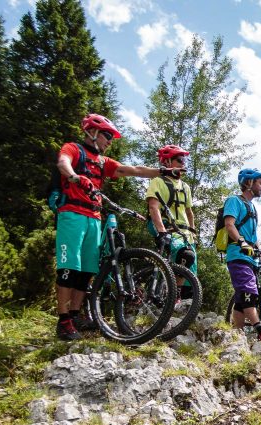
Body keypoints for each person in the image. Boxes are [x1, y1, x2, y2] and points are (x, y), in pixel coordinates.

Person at [54, 114, 177, 340]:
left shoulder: (103, 162)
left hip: (94, 216)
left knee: (87, 270)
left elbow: (134, 170)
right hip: (72, 213)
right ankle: (63, 321)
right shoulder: (73, 148)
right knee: (69, 267)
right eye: (107, 136)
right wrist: (74, 177)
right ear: (92, 132)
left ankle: (76, 314)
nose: (110, 141)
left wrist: (163, 171)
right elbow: (63, 163)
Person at [224, 167, 261, 343]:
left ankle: (237, 335)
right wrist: (241, 242)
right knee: (250, 293)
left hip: (251, 257)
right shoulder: (235, 201)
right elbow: (229, 224)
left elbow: (254, 236)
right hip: (238, 254)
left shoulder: (252, 207)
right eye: (260, 183)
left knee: (242, 299)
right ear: (248, 183)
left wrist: (260, 254)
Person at [146, 144, 197, 304]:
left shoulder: (185, 187)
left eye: (184, 160)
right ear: (167, 162)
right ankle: (172, 296)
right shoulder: (158, 181)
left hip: (184, 231)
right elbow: (153, 207)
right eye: (179, 159)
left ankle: (175, 295)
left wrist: (193, 232)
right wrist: (161, 232)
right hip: (164, 225)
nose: (183, 163)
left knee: (189, 264)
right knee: (185, 255)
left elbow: (189, 212)